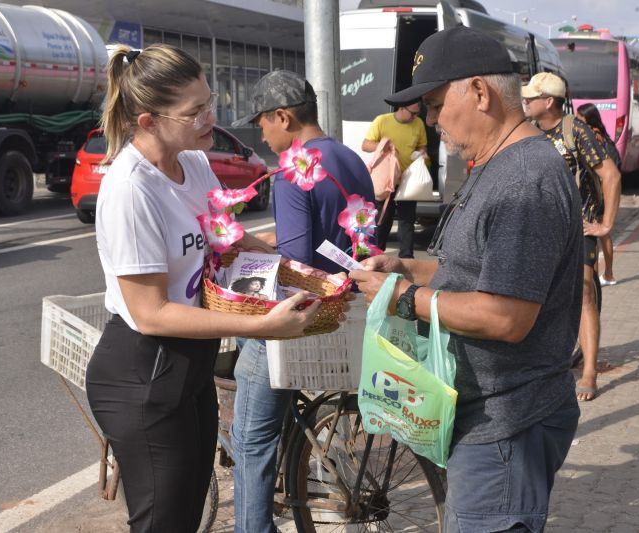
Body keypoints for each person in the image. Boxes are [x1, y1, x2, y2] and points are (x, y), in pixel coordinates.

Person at [349, 26, 582, 533]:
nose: (431, 122)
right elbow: (479, 269)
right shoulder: (498, 164)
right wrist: (406, 268)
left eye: (434, 105)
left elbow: (505, 316)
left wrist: (405, 299)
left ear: (479, 92)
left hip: (506, 423)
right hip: (486, 415)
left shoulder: (524, 181)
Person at [85, 46, 320, 533]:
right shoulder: (131, 188)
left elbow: (226, 239)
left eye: (209, 102)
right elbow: (151, 313)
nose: (212, 117)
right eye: (195, 111)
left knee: (187, 516)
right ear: (148, 121)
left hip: (189, 365)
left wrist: (300, 270)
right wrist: (261, 324)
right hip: (143, 370)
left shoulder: (193, 164)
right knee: (163, 523)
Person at [229, 70, 375, 533]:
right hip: (345, 309)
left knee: (250, 441)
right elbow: (352, 239)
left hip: (302, 317)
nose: (263, 134)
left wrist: (247, 253)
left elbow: (294, 264)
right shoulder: (349, 158)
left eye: (264, 124)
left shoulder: (295, 170)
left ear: (283, 116)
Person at [522, 72, 622, 401]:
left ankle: (590, 370)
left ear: (548, 101)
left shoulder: (575, 129)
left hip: (579, 227)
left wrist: (606, 224)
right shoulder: (528, 132)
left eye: (531, 98)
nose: (526, 102)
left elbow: (610, 174)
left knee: (583, 296)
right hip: (542, 228)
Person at [362, 102, 428, 258]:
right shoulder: (382, 120)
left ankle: (407, 258)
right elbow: (365, 145)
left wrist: (420, 153)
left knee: (407, 220)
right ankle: (377, 254)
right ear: (402, 108)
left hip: (408, 180)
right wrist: (383, 146)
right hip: (387, 179)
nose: (415, 117)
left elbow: (422, 146)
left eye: (417, 114)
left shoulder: (418, 123)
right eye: (412, 113)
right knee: (383, 219)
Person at [577, 102, 622, 286]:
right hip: (602, 194)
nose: (576, 122)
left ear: (588, 119)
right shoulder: (602, 136)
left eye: (579, 119)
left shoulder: (592, 138)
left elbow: (609, 173)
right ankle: (608, 274)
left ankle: (596, 280)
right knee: (602, 236)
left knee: (596, 235)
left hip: (599, 195)